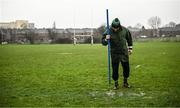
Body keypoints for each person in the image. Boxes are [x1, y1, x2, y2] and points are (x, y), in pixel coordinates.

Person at [102, 18, 133, 89]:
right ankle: (116, 84)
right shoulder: (108, 31)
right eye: (114, 28)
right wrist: (106, 39)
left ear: (119, 26)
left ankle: (125, 82)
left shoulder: (125, 30)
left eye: (117, 28)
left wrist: (130, 48)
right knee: (115, 69)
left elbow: (129, 39)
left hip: (124, 52)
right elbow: (103, 43)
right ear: (112, 26)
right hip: (114, 53)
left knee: (126, 68)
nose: (115, 29)